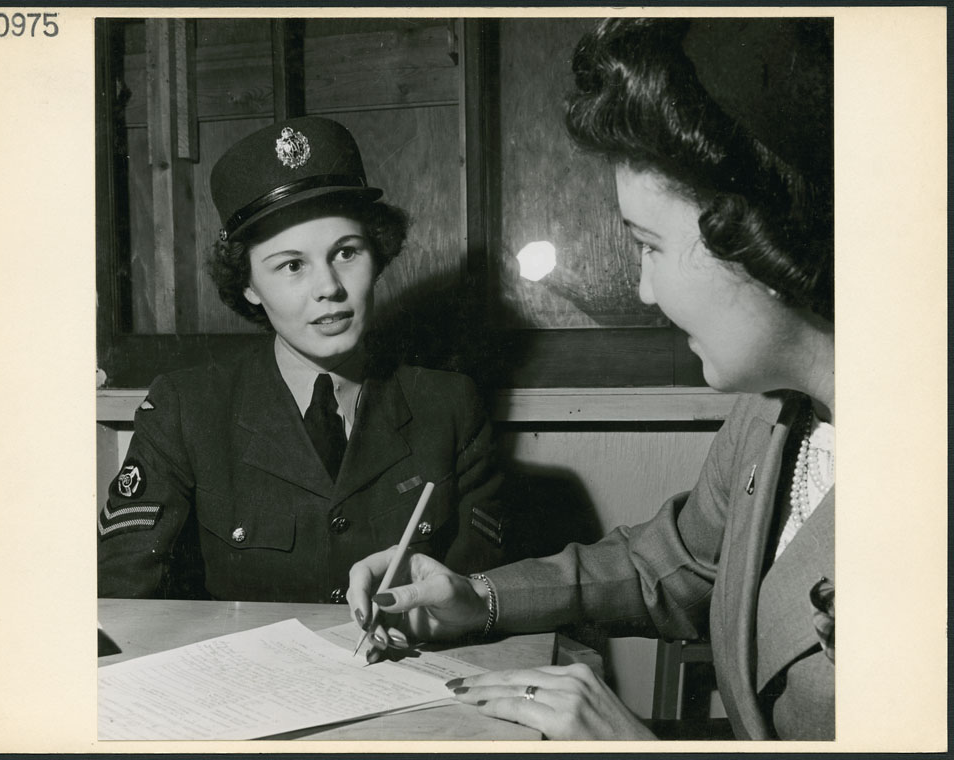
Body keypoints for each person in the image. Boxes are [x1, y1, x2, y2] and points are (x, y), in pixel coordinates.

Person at [346, 18, 834, 741]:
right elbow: (674, 564)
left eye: (650, 245)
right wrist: (476, 599)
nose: (642, 290)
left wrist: (636, 747)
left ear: (762, 238)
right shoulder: (771, 412)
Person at [98, 117, 509, 603]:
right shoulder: (187, 410)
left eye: (347, 253)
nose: (329, 288)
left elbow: (480, 597)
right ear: (247, 284)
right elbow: (121, 601)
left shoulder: (450, 407)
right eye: (292, 265)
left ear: (376, 256)